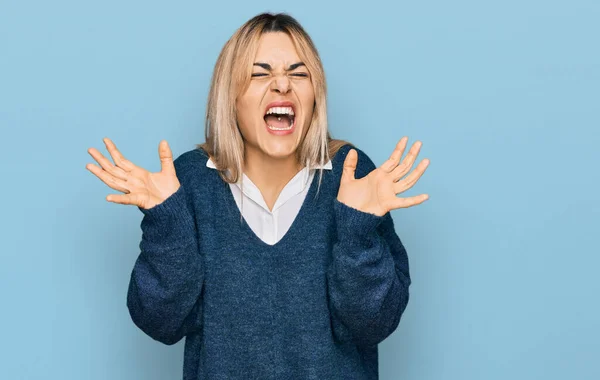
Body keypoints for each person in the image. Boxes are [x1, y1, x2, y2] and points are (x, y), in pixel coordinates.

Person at [86, 12, 429, 380]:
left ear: (315, 96)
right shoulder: (191, 181)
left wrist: (357, 233)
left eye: (299, 74)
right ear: (230, 95)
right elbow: (161, 322)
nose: (282, 85)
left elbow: (373, 326)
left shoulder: (353, 175)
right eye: (259, 73)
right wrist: (168, 224)